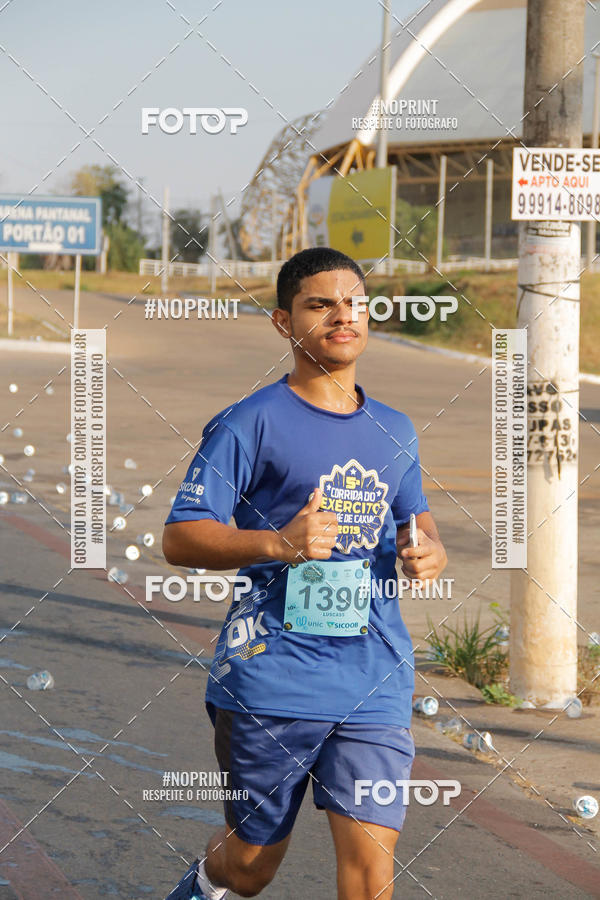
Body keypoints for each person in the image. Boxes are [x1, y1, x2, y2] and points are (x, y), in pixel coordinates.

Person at [162, 247, 447, 900]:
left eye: (354, 302)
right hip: (271, 679)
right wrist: (278, 543)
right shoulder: (249, 423)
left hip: (373, 677)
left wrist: (429, 551)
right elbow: (180, 538)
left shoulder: (395, 428)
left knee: (372, 870)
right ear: (284, 323)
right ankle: (207, 884)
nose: (342, 316)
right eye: (320, 304)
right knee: (250, 869)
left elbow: (420, 525)